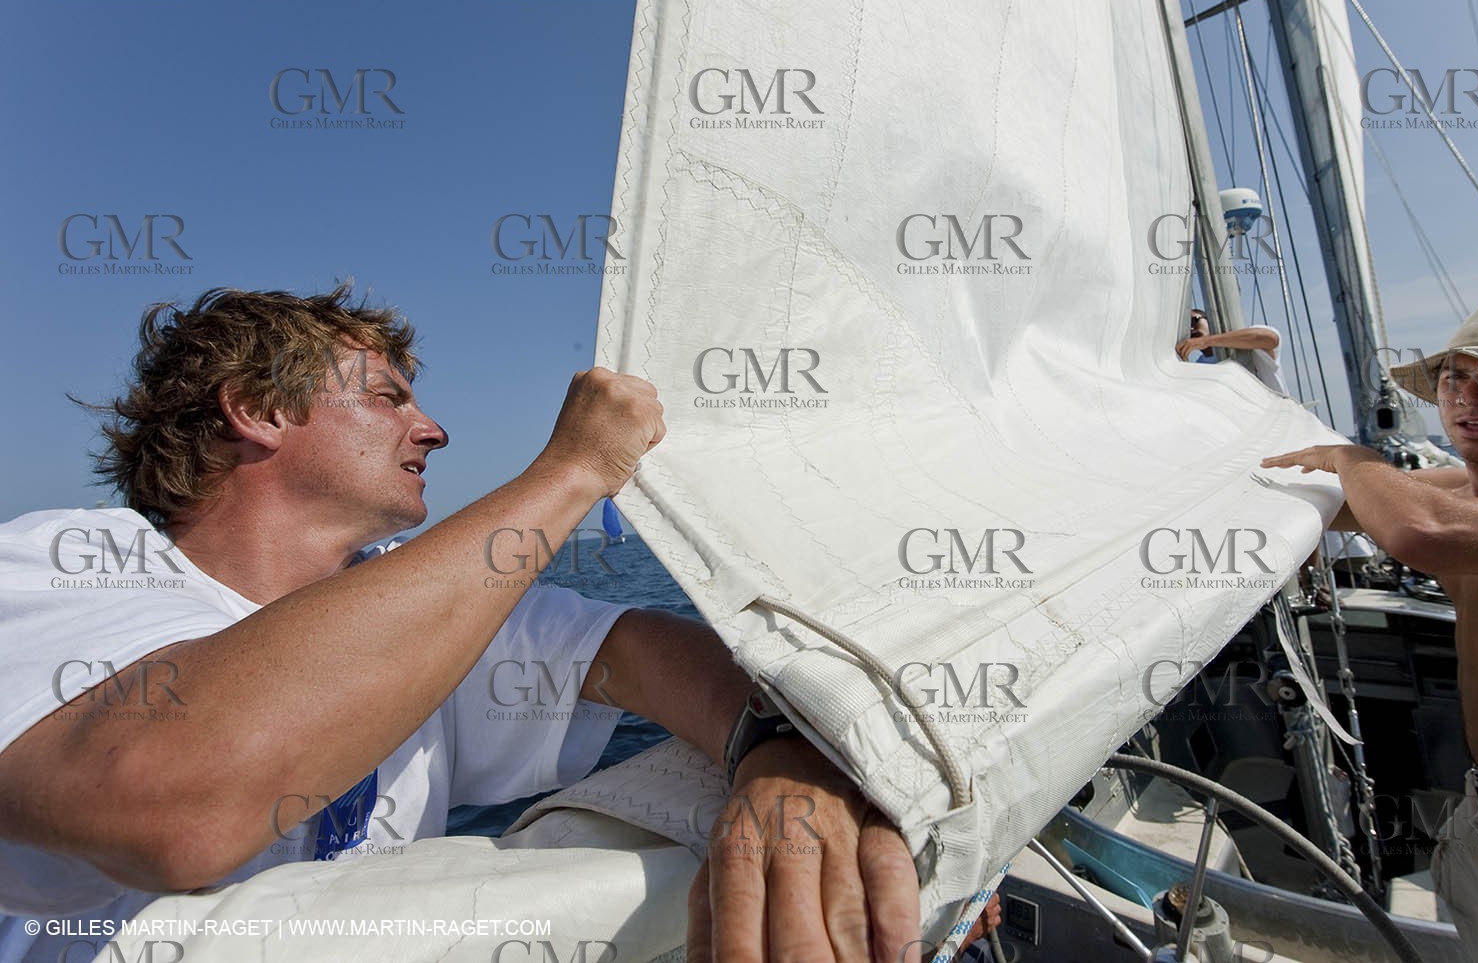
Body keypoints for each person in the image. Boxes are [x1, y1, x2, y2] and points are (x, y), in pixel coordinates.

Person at [0, 286, 919, 963]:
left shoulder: (416, 602)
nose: (434, 427)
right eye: (389, 397)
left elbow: (639, 652)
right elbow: (170, 807)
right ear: (260, 409)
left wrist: (779, 753)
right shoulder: (66, 565)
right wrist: (574, 469)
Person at [1262, 299, 1478, 959]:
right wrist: (1241, 378)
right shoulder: (1471, 489)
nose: (1471, 396)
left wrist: (1351, 458)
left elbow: (1425, 533)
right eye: (1456, 377)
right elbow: (1298, 490)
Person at [1177, 309, 1289, 396]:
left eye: (1193, 321)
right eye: (1186, 328)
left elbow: (1270, 339)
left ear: (1209, 319)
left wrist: (1206, 341)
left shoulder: (1252, 339)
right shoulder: (1197, 368)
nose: (1191, 329)